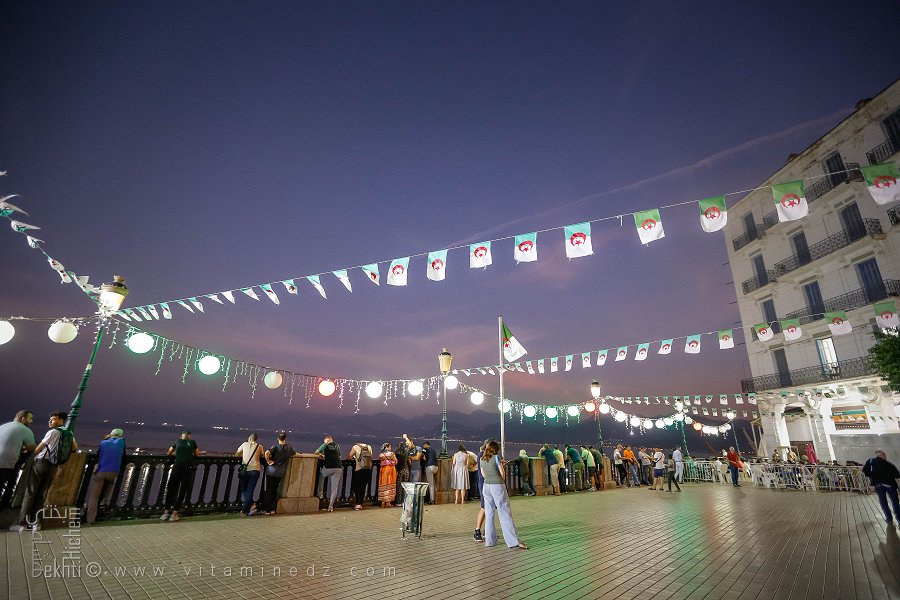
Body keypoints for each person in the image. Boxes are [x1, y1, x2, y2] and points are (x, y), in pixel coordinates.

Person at [11, 411, 77, 532]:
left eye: (53, 419)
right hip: (54, 466)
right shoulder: (69, 433)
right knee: (41, 494)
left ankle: (22, 523)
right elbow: (74, 448)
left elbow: (38, 449)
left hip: (41, 463)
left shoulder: (52, 432)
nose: (50, 421)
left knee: (30, 493)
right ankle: (36, 523)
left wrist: (27, 459)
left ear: (61, 420)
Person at [480, 440, 528, 550]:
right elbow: (502, 473)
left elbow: (483, 474)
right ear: (496, 449)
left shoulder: (482, 459)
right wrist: (501, 470)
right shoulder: (496, 457)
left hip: (486, 486)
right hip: (497, 486)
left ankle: (490, 541)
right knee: (504, 512)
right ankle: (513, 541)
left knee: (489, 513)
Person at [83, 428, 126, 524]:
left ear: (111, 434)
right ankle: (103, 508)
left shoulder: (103, 443)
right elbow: (123, 456)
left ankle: (90, 519)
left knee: (94, 497)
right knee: (106, 494)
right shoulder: (122, 442)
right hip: (114, 472)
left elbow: (99, 454)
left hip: (101, 472)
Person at [0, 410, 35, 507]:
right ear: (23, 418)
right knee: (9, 484)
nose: (31, 421)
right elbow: (32, 448)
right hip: (6, 463)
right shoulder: (25, 429)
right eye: (30, 418)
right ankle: (4, 505)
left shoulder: (3, 426)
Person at [161, 431, 198, 522]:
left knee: (171, 488)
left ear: (181, 436)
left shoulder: (177, 441)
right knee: (183, 489)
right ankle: (175, 513)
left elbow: (169, 453)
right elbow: (197, 454)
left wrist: (177, 454)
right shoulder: (193, 442)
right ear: (189, 436)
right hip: (187, 468)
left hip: (177, 467)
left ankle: (166, 512)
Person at [863, 450, 900, 525]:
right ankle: (899, 519)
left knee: (883, 502)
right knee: (895, 502)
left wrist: (872, 476)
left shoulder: (870, 461)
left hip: (878, 485)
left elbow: (865, 471)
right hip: (890, 485)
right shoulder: (889, 464)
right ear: (883, 456)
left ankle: (889, 519)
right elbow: (897, 475)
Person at [263, 432, 295, 515]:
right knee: (275, 490)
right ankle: (273, 509)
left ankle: (267, 510)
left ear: (278, 439)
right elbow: (294, 453)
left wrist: (268, 461)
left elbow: (267, 453)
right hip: (280, 472)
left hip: (270, 471)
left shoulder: (275, 446)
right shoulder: (289, 447)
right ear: (285, 439)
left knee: (269, 490)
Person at [235, 433, 264, 515]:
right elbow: (262, 456)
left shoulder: (244, 444)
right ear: (256, 439)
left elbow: (237, 454)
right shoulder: (260, 446)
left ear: (250, 439)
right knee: (250, 490)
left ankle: (244, 510)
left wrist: (243, 455)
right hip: (255, 470)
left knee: (244, 489)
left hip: (245, 470)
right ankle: (252, 505)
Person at [314, 435, 342, 511]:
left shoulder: (325, 445)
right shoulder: (337, 446)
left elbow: (315, 453)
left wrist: (321, 455)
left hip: (329, 468)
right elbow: (338, 456)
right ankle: (330, 507)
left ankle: (320, 494)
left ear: (327, 441)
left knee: (320, 475)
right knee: (334, 489)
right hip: (338, 468)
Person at [348, 440, 373, 510]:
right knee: (363, 486)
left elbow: (349, 456)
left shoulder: (355, 447)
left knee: (356, 486)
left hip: (359, 469)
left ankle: (358, 503)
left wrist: (354, 458)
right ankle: (361, 503)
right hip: (368, 469)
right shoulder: (369, 447)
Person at [377, 443, 397, 508]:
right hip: (390, 469)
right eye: (390, 447)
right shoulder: (392, 454)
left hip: (383, 470)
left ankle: (382, 502)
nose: (391, 448)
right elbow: (396, 461)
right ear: (387, 447)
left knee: (383, 484)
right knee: (389, 484)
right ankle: (388, 502)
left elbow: (380, 461)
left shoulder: (381, 455)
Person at [393, 437, 410, 506]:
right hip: (406, 470)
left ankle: (398, 502)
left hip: (399, 470)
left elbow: (395, 462)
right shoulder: (406, 452)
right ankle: (404, 501)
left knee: (399, 486)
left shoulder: (396, 452)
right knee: (404, 486)